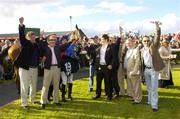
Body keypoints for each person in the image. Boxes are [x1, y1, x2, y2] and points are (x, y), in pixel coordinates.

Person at [15, 17, 40, 109]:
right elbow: (21, 35)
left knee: (34, 85)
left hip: (35, 68)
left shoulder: (36, 45)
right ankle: (24, 103)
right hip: (25, 68)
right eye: (31, 37)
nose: (33, 38)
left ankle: (32, 100)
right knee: (25, 86)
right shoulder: (25, 43)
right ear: (28, 38)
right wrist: (21, 24)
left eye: (34, 37)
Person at [141, 22, 164, 112]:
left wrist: (157, 27)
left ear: (149, 41)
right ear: (142, 42)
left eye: (147, 41)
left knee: (154, 88)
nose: (146, 42)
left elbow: (157, 36)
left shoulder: (153, 46)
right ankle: (149, 101)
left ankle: (154, 105)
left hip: (154, 70)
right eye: (144, 41)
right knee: (149, 88)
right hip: (146, 70)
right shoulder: (141, 50)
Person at [93, 34, 117, 100]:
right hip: (100, 67)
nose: (101, 40)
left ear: (106, 40)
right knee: (98, 81)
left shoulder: (111, 47)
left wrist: (111, 65)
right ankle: (98, 94)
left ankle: (109, 95)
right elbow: (96, 57)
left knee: (108, 81)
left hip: (107, 67)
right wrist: (96, 65)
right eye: (101, 39)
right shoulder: (99, 48)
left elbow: (114, 58)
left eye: (102, 39)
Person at [40, 34, 61, 109]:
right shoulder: (45, 48)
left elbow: (65, 45)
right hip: (48, 68)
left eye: (54, 40)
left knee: (56, 85)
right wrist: (42, 37)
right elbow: (40, 45)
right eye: (51, 40)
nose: (53, 41)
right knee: (46, 86)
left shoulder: (58, 48)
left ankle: (56, 101)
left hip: (57, 68)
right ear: (48, 41)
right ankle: (43, 102)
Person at [125, 38, 142, 103]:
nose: (128, 44)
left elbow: (137, 62)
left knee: (136, 86)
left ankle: (138, 99)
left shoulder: (135, 50)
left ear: (133, 43)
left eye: (129, 43)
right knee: (131, 85)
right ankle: (134, 97)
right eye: (127, 43)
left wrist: (134, 71)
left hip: (134, 71)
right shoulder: (128, 50)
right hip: (128, 70)